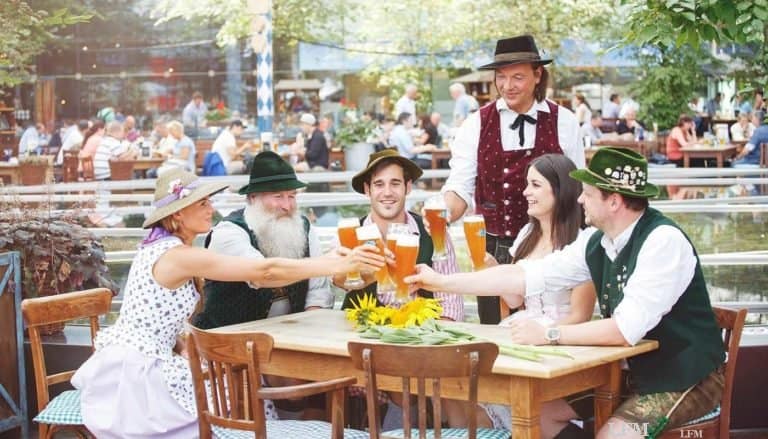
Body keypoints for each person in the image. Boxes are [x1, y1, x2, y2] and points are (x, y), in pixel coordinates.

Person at [409, 147, 726, 438]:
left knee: (616, 436)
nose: (579, 200)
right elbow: (525, 275)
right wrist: (440, 282)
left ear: (613, 201)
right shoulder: (597, 243)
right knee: (533, 414)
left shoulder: (662, 241)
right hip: (626, 374)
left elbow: (623, 331)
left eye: (588, 193)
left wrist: (548, 334)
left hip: (684, 378)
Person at [71, 168, 383, 438]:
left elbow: (158, 316)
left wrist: (182, 343)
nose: (212, 209)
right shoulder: (179, 256)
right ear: (178, 213)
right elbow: (264, 271)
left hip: (144, 361)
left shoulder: (165, 249)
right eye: (203, 203)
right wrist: (333, 264)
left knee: (238, 392)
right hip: (138, 377)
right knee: (236, 401)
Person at [444, 153, 596, 432]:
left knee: (506, 394)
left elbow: (580, 316)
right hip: (521, 329)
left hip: (560, 343)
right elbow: (515, 300)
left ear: (559, 189)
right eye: (527, 184)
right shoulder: (528, 233)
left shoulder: (582, 243)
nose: (526, 192)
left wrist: (539, 333)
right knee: (458, 386)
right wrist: (493, 269)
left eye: (535, 185)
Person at [441, 34, 584, 324]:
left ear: (537, 74)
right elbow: (460, 186)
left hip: (551, 245)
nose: (507, 86)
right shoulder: (476, 123)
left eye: (517, 76)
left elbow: (576, 190)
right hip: (492, 246)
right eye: (501, 77)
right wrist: (440, 215)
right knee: (495, 332)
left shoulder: (565, 121)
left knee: (552, 326)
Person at [194, 150, 337, 328]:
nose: (287, 206)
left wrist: (309, 335)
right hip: (229, 342)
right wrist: (331, 263)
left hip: (291, 338)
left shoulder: (303, 227)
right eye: (278, 196)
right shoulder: (229, 232)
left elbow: (318, 291)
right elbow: (264, 274)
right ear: (253, 198)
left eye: (291, 196)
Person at [338, 148, 464, 322]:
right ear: (367, 190)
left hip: (419, 338)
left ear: (408, 187)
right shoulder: (350, 234)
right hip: (360, 337)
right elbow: (337, 280)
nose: (388, 192)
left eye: (395, 183)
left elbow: (451, 306)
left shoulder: (432, 232)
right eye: (379, 184)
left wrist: (427, 343)